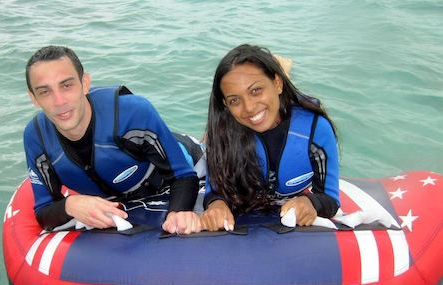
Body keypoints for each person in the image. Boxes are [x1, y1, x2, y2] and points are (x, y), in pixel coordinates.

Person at [23, 45, 201, 234]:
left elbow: (183, 175)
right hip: (117, 200)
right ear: (34, 98)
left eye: (67, 85)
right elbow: (43, 211)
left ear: (84, 83)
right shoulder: (36, 137)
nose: (59, 101)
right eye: (45, 92)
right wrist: (70, 204)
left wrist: (178, 212)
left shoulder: (133, 113)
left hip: (178, 167)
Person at [200, 44, 340, 231]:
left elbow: (329, 198)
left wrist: (311, 202)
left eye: (255, 90)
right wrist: (216, 205)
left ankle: (281, 70)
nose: (248, 107)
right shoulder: (221, 135)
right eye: (234, 100)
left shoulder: (315, 130)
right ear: (225, 105)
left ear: (277, 83)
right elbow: (214, 192)